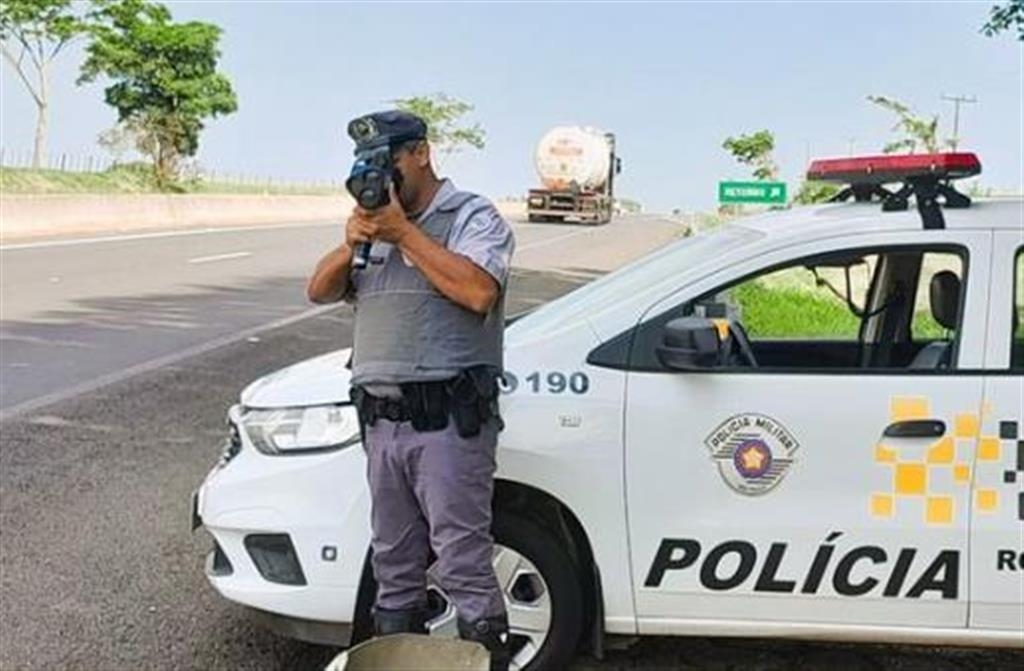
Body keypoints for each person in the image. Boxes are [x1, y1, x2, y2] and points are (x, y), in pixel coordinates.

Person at [306, 110, 515, 670]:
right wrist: (352, 239)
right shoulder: (373, 228)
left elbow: (476, 292)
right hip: (381, 425)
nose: (380, 177)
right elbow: (318, 291)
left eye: (388, 162)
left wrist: (405, 234)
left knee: (462, 564)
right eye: (367, 166)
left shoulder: (471, 215)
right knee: (392, 571)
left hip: (448, 424)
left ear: (420, 153)